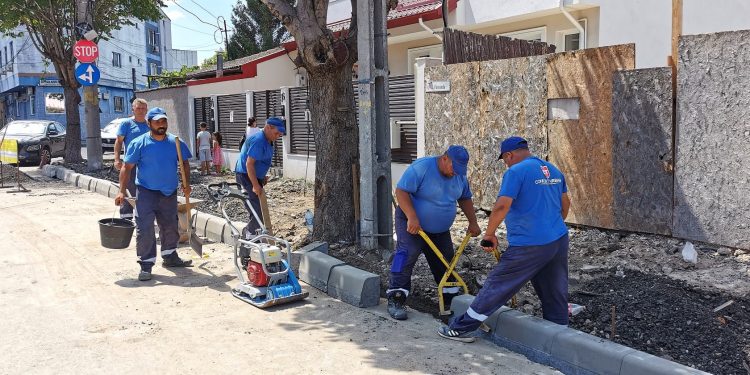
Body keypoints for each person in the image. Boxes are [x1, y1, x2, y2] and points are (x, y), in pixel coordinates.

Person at [437, 136, 571, 342]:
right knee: (553, 288)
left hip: (529, 244)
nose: (506, 163)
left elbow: (502, 206)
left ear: (509, 155)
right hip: (558, 239)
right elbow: (565, 204)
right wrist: (552, 224)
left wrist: (489, 234)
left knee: (498, 284)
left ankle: (462, 328)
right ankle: (561, 335)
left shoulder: (516, 172)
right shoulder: (552, 170)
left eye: (505, 159)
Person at [387, 145, 481, 321]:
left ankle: (450, 299)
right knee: (405, 254)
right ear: (444, 158)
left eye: (460, 170)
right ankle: (395, 296)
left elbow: (464, 197)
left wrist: (473, 222)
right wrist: (412, 217)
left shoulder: (459, 175)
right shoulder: (422, 167)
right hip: (412, 223)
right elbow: (401, 191)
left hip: (440, 229)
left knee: (446, 261)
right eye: (454, 168)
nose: (456, 173)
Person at [114, 107, 194, 282]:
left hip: (169, 192)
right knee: (145, 228)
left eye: (163, 121)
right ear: (149, 123)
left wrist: (186, 184)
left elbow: (185, 164)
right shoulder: (139, 143)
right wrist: (121, 191)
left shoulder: (176, 142)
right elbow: (127, 168)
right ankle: (146, 264)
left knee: (170, 225)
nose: (161, 125)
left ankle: (170, 256)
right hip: (146, 192)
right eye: (157, 122)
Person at [234, 117, 285, 239]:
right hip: (246, 176)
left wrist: (261, 177)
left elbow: (260, 160)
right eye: (277, 133)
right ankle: (249, 235)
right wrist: (255, 185)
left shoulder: (268, 139)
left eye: (280, 134)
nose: (278, 136)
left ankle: (256, 234)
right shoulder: (259, 140)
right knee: (257, 210)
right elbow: (249, 164)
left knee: (259, 208)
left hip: (254, 176)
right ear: (268, 127)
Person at [114, 98, 149, 221]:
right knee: (127, 189)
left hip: (146, 165)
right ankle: (126, 218)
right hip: (130, 164)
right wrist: (117, 159)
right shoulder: (127, 124)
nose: (140, 111)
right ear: (133, 109)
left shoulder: (149, 125)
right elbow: (118, 142)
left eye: (143, 108)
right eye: (138, 108)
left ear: (146, 110)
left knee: (145, 191)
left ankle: (143, 217)